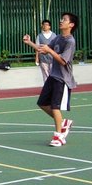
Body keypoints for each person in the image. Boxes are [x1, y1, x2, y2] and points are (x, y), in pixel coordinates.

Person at [23, 12, 78, 147]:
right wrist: (29, 42)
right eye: (61, 19)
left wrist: (50, 51)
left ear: (71, 25)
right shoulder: (58, 38)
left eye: (64, 20)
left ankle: (59, 137)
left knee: (55, 107)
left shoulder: (70, 41)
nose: (61, 21)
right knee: (42, 103)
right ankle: (63, 122)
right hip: (53, 76)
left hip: (62, 79)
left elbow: (63, 61)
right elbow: (43, 49)